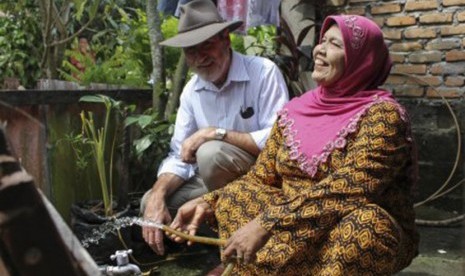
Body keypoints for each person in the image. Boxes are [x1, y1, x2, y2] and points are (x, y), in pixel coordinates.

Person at [169, 14, 419, 275]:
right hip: (294, 224)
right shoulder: (295, 111)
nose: (320, 49)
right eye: (322, 41)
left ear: (362, 59)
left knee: (365, 226)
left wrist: (267, 224)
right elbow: (260, 178)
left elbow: (348, 190)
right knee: (236, 196)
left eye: (335, 44)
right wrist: (209, 201)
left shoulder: (383, 116)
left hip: (342, 224)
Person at [141, 0, 289, 256]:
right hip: (216, 183)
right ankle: (211, 241)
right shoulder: (191, 91)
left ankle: (244, 242)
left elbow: (279, 140)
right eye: (191, 50)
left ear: (226, 39)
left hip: (263, 181)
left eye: (206, 44)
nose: (200, 57)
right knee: (150, 202)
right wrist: (157, 193)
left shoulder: (263, 72)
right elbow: (180, 156)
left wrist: (215, 133)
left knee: (210, 153)